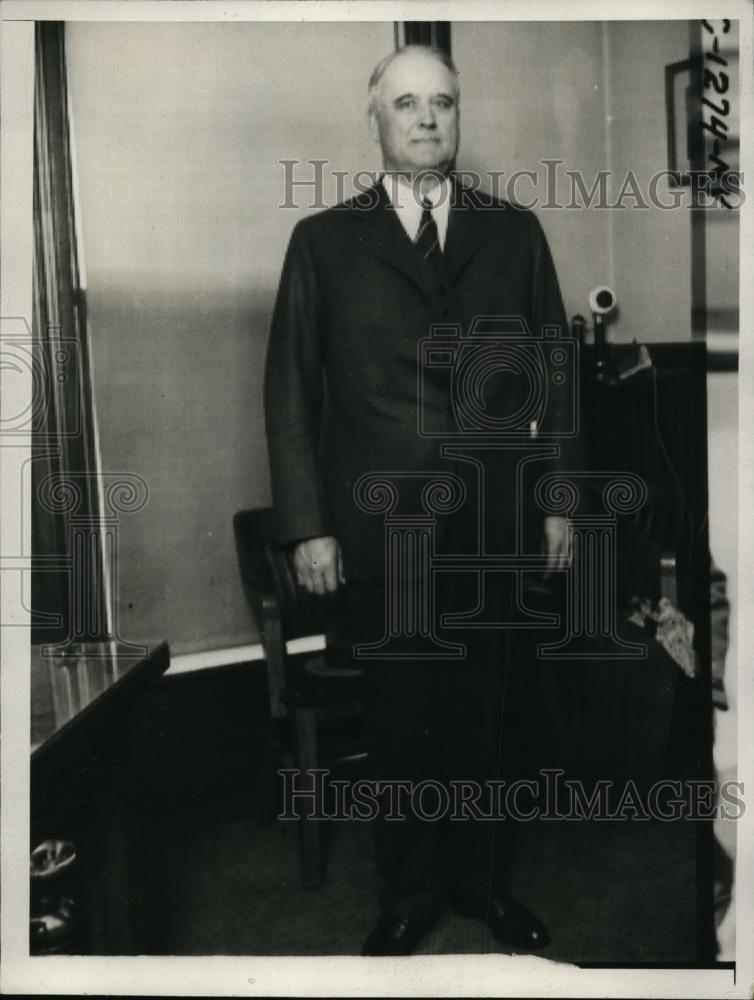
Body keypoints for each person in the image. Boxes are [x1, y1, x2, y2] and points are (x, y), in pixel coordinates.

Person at [265, 44, 578, 955]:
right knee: (402, 721)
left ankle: (480, 887)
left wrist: (556, 499)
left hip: (494, 523)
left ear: (457, 115)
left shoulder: (513, 234)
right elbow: (290, 390)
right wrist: (309, 527)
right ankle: (406, 896)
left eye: (442, 102)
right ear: (376, 118)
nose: (428, 119)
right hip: (379, 527)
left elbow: (556, 375)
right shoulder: (323, 241)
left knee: (487, 718)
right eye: (407, 104)